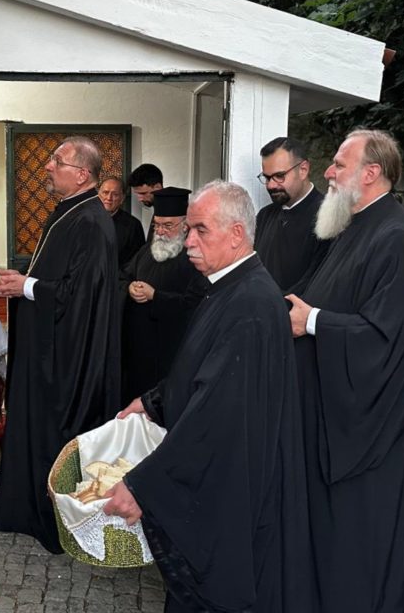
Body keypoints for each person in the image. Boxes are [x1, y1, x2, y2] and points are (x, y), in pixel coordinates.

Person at [105, 180, 313, 613]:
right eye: (189, 230)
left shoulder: (251, 303)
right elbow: (202, 370)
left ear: (236, 234)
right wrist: (154, 401)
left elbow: (214, 414)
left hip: (230, 486)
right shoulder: (230, 286)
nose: (189, 241)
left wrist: (142, 484)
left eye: (200, 230)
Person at [285, 129, 404, 613]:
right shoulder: (357, 225)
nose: (328, 171)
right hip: (330, 410)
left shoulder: (398, 238)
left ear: (371, 174)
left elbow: (392, 340)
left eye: (339, 165)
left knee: (359, 542)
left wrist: (315, 321)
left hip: (369, 433)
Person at [0, 136, 120, 553]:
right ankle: (27, 509)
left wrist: (27, 285)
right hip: (43, 352)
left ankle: (52, 521)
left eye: (56, 161)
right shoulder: (69, 212)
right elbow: (57, 275)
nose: (47, 167)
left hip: (65, 362)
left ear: (82, 174)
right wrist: (23, 280)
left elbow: (80, 297)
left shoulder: (91, 221)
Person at [119, 186, 208, 404]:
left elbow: (197, 304)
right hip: (138, 352)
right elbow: (121, 276)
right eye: (157, 225)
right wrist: (129, 287)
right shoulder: (146, 251)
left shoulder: (197, 257)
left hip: (172, 353)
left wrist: (155, 296)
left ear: (185, 226)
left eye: (168, 226)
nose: (160, 231)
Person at [254, 136, 329, 292]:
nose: (271, 185)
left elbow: (317, 281)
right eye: (267, 178)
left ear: (303, 170)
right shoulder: (264, 216)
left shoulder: (328, 218)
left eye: (279, 176)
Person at [99, 176, 145, 269]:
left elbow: (135, 263)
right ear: (98, 194)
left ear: (122, 198)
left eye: (115, 194)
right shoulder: (83, 220)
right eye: (105, 192)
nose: (109, 198)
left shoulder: (133, 225)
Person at [128, 163, 164, 240]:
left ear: (157, 187)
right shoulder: (159, 207)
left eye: (143, 193)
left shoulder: (169, 211)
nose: (140, 199)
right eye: (137, 194)